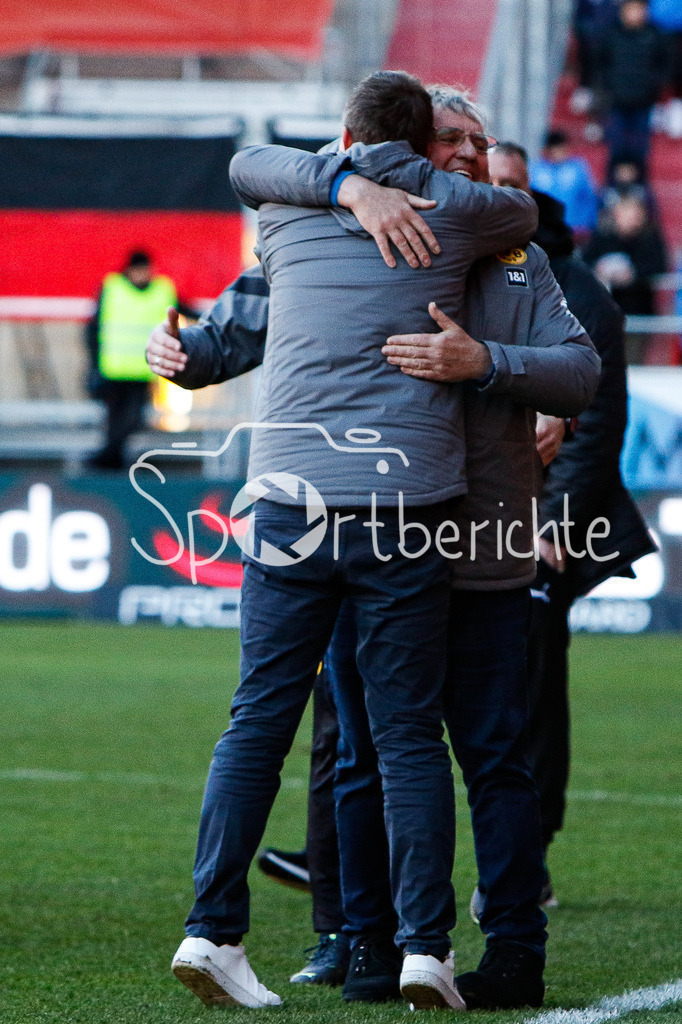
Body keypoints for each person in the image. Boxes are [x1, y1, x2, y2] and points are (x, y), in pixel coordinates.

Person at [150, 84, 600, 1010]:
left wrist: (491, 366)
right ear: (413, 147)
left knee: (484, 754)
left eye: (482, 140)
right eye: (453, 137)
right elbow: (245, 311)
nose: (472, 152)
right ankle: (369, 943)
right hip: (399, 522)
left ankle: (509, 944)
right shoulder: (341, 212)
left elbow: (582, 372)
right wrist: (198, 353)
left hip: (474, 543)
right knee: (365, 746)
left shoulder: (515, 258)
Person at [485, 140, 655, 904]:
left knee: (530, 692)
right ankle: (353, 862)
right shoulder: (453, 261)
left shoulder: (577, 289)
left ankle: (530, 858)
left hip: (539, 526)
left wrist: (552, 523)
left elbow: (596, 424)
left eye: (511, 186)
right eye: (486, 184)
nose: (498, 196)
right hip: (453, 514)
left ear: (534, 196)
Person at [85, 251, 192, 470]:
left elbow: (184, 309)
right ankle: (110, 460)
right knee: (115, 420)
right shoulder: (113, 288)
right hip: (113, 370)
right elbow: (94, 328)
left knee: (133, 420)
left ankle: (108, 459)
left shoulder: (162, 290)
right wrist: (94, 364)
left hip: (142, 370)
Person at [582, 193, 668, 362]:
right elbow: (584, 263)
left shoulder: (649, 238)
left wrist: (632, 274)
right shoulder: (602, 236)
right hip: (604, 315)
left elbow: (659, 266)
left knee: (633, 363)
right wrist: (600, 270)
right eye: (626, 212)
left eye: (635, 212)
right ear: (616, 213)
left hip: (638, 312)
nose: (631, 218)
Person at [597, 0, 670, 170]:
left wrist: (652, 85)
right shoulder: (611, 33)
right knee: (616, 146)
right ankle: (611, 187)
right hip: (616, 99)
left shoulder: (654, 34)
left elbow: (664, 63)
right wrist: (609, 88)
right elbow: (601, 63)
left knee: (640, 148)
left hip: (644, 100)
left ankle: (641, 187)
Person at [529, 130, 599, 241]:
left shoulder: (578, 168)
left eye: (562, 148)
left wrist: (586, 225)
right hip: (544, 231)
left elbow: (589, 199)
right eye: (555, 148)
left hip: (574, 231)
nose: (559, 152)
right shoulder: (535, 170)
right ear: (547, 149)